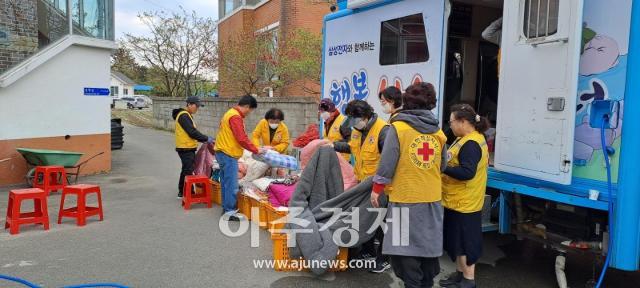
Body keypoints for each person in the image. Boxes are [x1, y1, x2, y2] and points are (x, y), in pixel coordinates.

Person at [371, 82, 447, 288]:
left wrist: (377, 189)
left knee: (402, 248)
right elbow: (442, 165)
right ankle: (426, 283)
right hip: (431, 198)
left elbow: (387, 163)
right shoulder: (438, 133)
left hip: (404, 197)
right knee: (427, 247)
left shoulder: (398, 128)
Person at [325, 99, 391, 273]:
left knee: (382, 221)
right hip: (363, 184)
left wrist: (379, 186)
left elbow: (390, 161)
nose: (353, 124)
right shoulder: (357, 130)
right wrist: (333, 146)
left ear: (366, 116)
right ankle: (368, 251)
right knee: (366, 218)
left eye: (356, 119)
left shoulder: (383, 131)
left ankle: (384, 258)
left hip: (381, 186)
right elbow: (352, 148)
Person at [438, 104, 490, 288]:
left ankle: (469, 280)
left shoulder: (471, 144)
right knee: (456, 241)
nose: (450, 125)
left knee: (466, 242)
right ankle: (460, 274)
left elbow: (468, 172)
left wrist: (443, 168)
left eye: (451, 121)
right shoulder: (464, 139)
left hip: (465, 203)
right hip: (455, 201)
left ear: (462, 121)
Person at [215, 95, 265, 221]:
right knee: (231, 184)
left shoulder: (229, 113)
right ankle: (229, 212)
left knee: (226, 183)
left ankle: (226, 209)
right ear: (247, 107)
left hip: (222, 152)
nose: (250, 113)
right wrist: (256, 149)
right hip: (228, 154)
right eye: (251, 110)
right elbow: (241, 138)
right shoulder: (235, 117)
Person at [172, 96, 214, 198]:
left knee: (186, 169)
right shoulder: (184, 116)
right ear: (189, 104)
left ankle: (183, 191)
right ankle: (186, 192)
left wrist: (204, 138)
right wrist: (206, 138)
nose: (197, 108)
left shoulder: (187, 115)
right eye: (196, 106)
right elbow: (192, 132)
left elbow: (192, 133)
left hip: (187, 147)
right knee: (188, 170)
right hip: (185, 148)